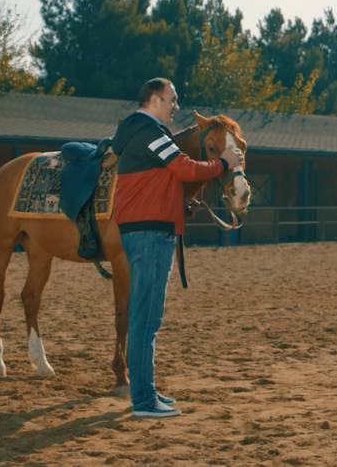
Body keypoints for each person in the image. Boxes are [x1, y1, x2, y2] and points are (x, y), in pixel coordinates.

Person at [112, 78, 242, 418]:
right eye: (172, 99)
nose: (176, 106)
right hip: (150, 234)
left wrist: (178, 206)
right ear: (155, 98)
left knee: (148, 318)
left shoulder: (140, 133)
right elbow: (184, 169)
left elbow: (155, 184)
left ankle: (146, 392)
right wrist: (224, 163)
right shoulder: (149, 131)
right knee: (145, 318)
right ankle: (142, 400)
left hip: (150, 230)